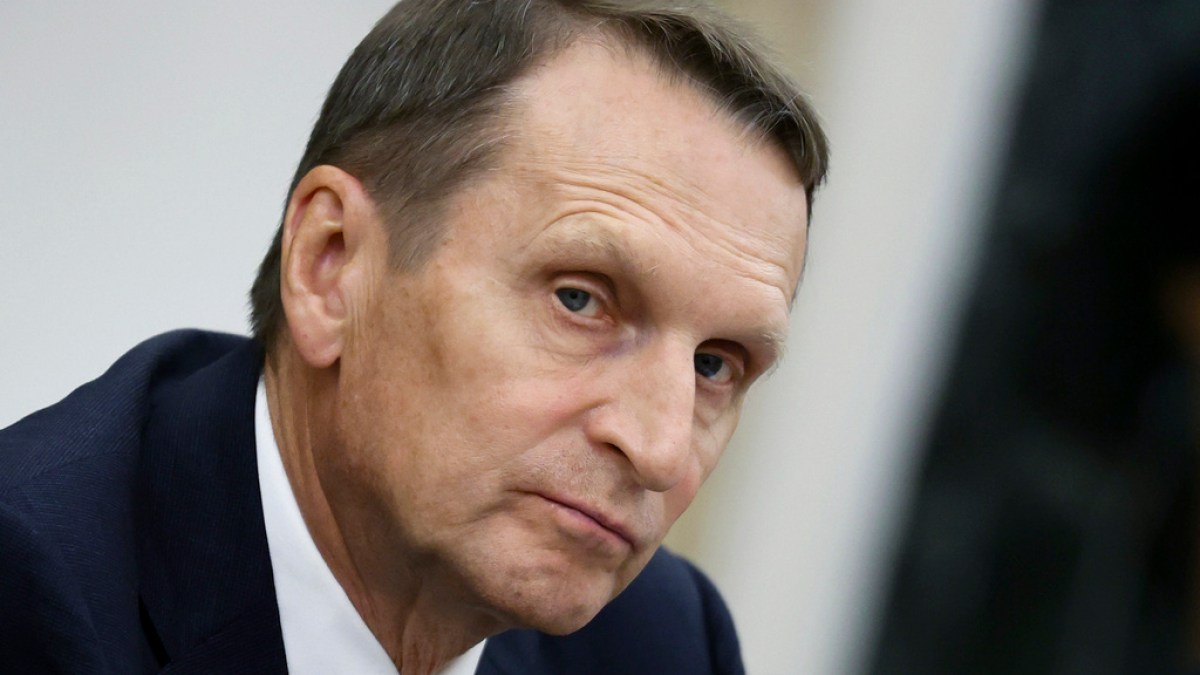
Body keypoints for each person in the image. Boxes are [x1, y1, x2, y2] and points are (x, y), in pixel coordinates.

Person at [0, 1, 828, 673]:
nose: (659, 449)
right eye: (580, 300)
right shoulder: (30, 597)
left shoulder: (662, 644)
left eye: (715, 364)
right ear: (331, 266)